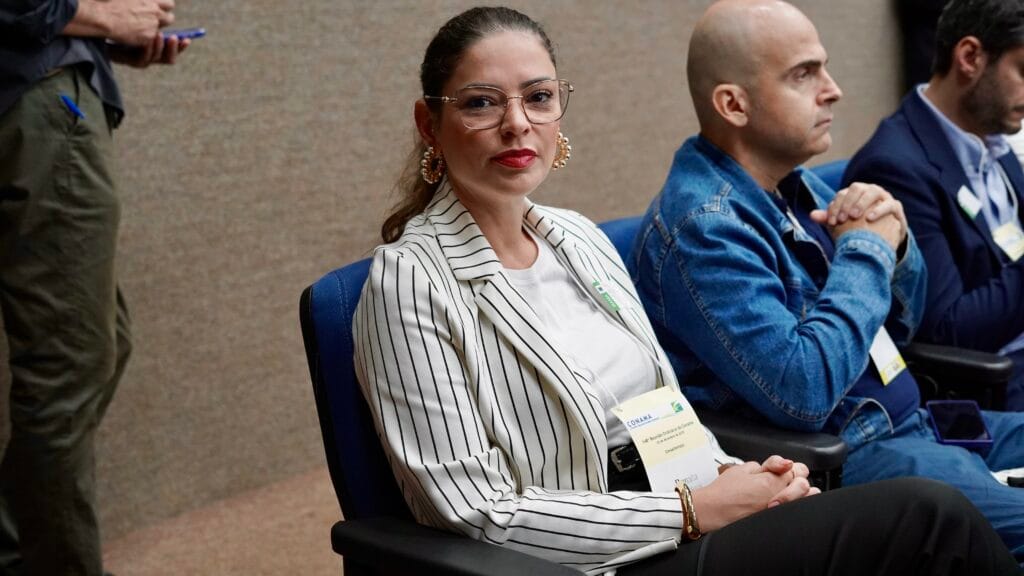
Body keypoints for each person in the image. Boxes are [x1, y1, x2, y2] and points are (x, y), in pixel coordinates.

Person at [353, 6, 1019, 575]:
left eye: (538, 97)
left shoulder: (575, 237)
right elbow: (479, 512)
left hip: (687, 511)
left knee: (923, 523)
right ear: (429, 124)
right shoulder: (409, 283)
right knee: (931, 518)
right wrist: (691, 510)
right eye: (480, 102)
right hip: (599, 558)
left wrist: (738, 477)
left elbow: (664, 410)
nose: (517, 123)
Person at [628, 0, 1024, 562]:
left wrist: (897, 243)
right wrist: (867, 250)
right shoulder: (704, 229)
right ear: (734, 105)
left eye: (825, 68)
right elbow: (803, 393)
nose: (833, 90)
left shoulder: (797, 186)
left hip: (924, 421)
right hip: (855, 454)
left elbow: (904, 325)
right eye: (803, 74)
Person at [0, 1, 190, 574]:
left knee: (97, 345)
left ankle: (16, 544)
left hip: (41, 88)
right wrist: (104, 16)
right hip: (38, 100)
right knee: (70, 362)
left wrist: (96, 37)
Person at [845, 0, 1024, 410]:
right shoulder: (895, 168)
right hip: (995, 384)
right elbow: (948, 331)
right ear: (970, 58)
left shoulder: (992, 136)